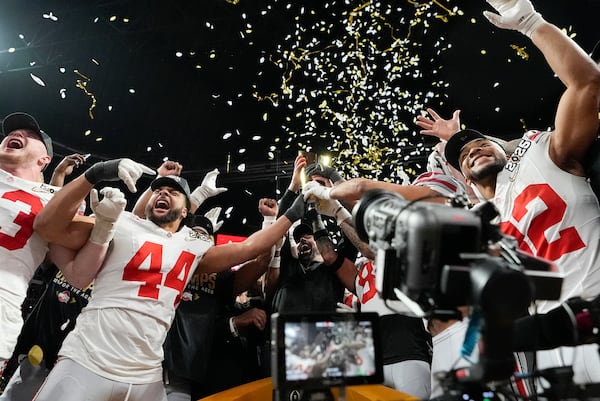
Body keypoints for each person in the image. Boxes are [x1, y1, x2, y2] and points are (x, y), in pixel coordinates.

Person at [415, 0, 600, 393]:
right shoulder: (484, 221)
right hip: (554, 343)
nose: (473, 150)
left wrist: (531, 23)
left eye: (482, 144)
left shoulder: (544, 156)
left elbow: (587, 84)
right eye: (464, 156)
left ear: (508, 148)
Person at [31, 158, 304, 401]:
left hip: (146, 373)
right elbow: (46, 226)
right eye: (158, 190)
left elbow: (250, 248)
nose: (163, 193)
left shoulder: (193, 244)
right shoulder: (121, 222)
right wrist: (95, 173)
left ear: (186, 211)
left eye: (172, 192)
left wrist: (292, 214)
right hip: (88, 360)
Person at [302, 166, 467, 401]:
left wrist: (337, 201)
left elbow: (371, 238)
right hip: (371, 356)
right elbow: (333, 256)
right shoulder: (362, 271)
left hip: (409, 347)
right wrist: (317, 218)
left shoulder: (398, 249)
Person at [0, 153, 91, 401]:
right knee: (19, 387)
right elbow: (51, 212)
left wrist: (104, 226)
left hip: (75, 341)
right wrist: (60, 175)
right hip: (40, 325)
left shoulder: (96, 254)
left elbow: (53, 211)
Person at [0, 112, 57, 373]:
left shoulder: (56, 201)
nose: (16, 134)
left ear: (44, 159)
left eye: (31, 136)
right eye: (12, 132)